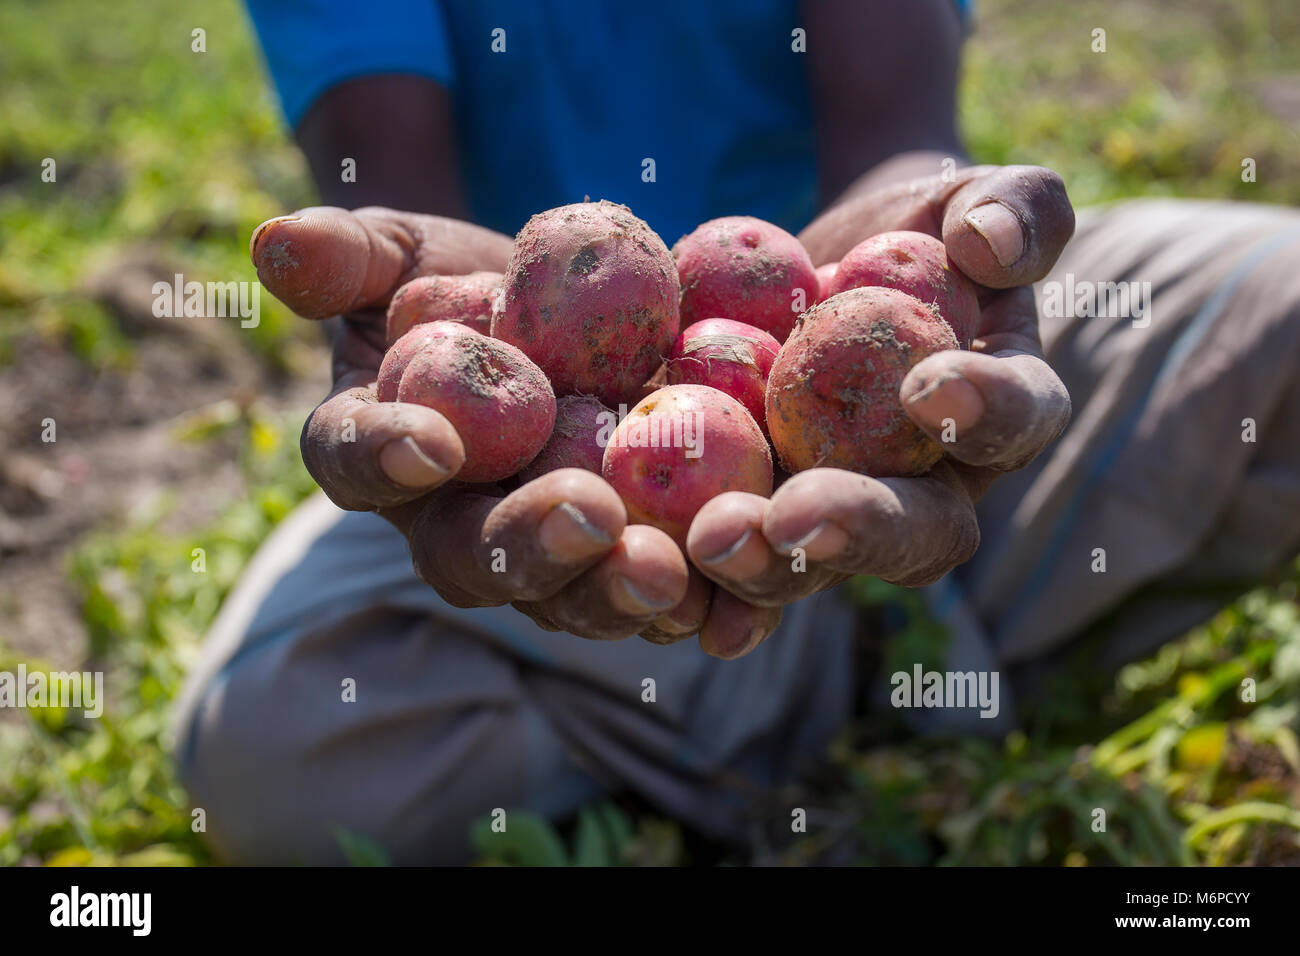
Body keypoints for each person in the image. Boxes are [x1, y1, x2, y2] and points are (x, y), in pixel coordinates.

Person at [172, 0, 1300, 864]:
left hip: (886, 356)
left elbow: (901, 146)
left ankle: (814, 668)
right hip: (557, 487)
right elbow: (398, 239)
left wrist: (948, 238)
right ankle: (862, 661)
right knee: (256, 755)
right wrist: (395, 298)